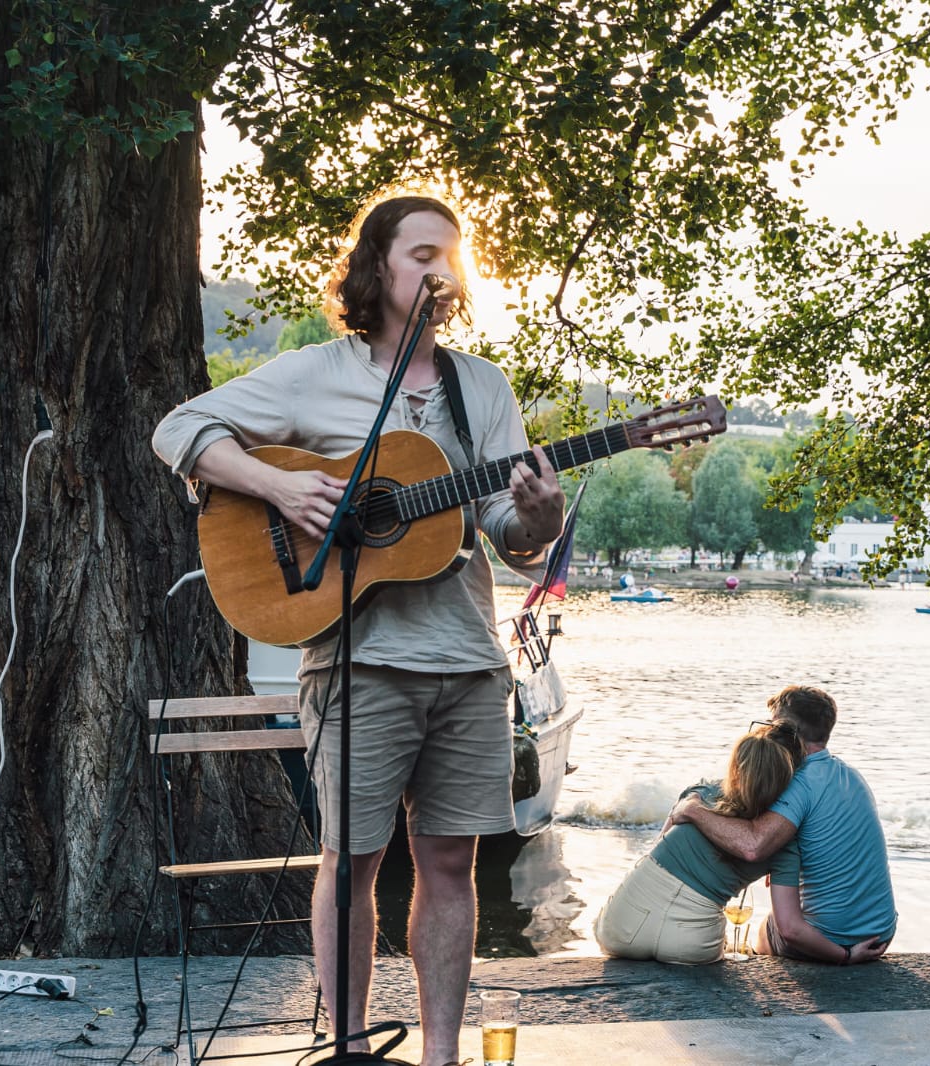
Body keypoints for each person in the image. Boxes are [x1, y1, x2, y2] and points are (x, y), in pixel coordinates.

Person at [152, 194, 564, 1063]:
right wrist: (279, 487)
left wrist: (541, 517)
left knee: (450, 865)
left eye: (451, 258)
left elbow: (511, 533)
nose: (440, 273)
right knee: (353, 861)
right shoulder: (317, 374)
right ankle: (347, 1047)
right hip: (358, 659)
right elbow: (180, 428)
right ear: (378, 267)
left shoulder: (479, 386)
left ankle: (442, 1054)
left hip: (465, 660)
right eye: (422, 255)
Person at [595, 723, 875, 964]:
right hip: (692, 942)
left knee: (603, 925)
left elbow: (659, 844)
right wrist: (845, 955)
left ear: (737, 767)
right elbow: (790, 928)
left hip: (623, 928)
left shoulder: (700, 793)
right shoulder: (783, 841)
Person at [667, 686, 896, 965]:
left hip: (836, 940)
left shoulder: (798, 782)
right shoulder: (851, 775)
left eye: (772, 725)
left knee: (766, 930)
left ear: (788, 731)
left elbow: (753, 847)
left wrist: (693, 810)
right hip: (880, 931)